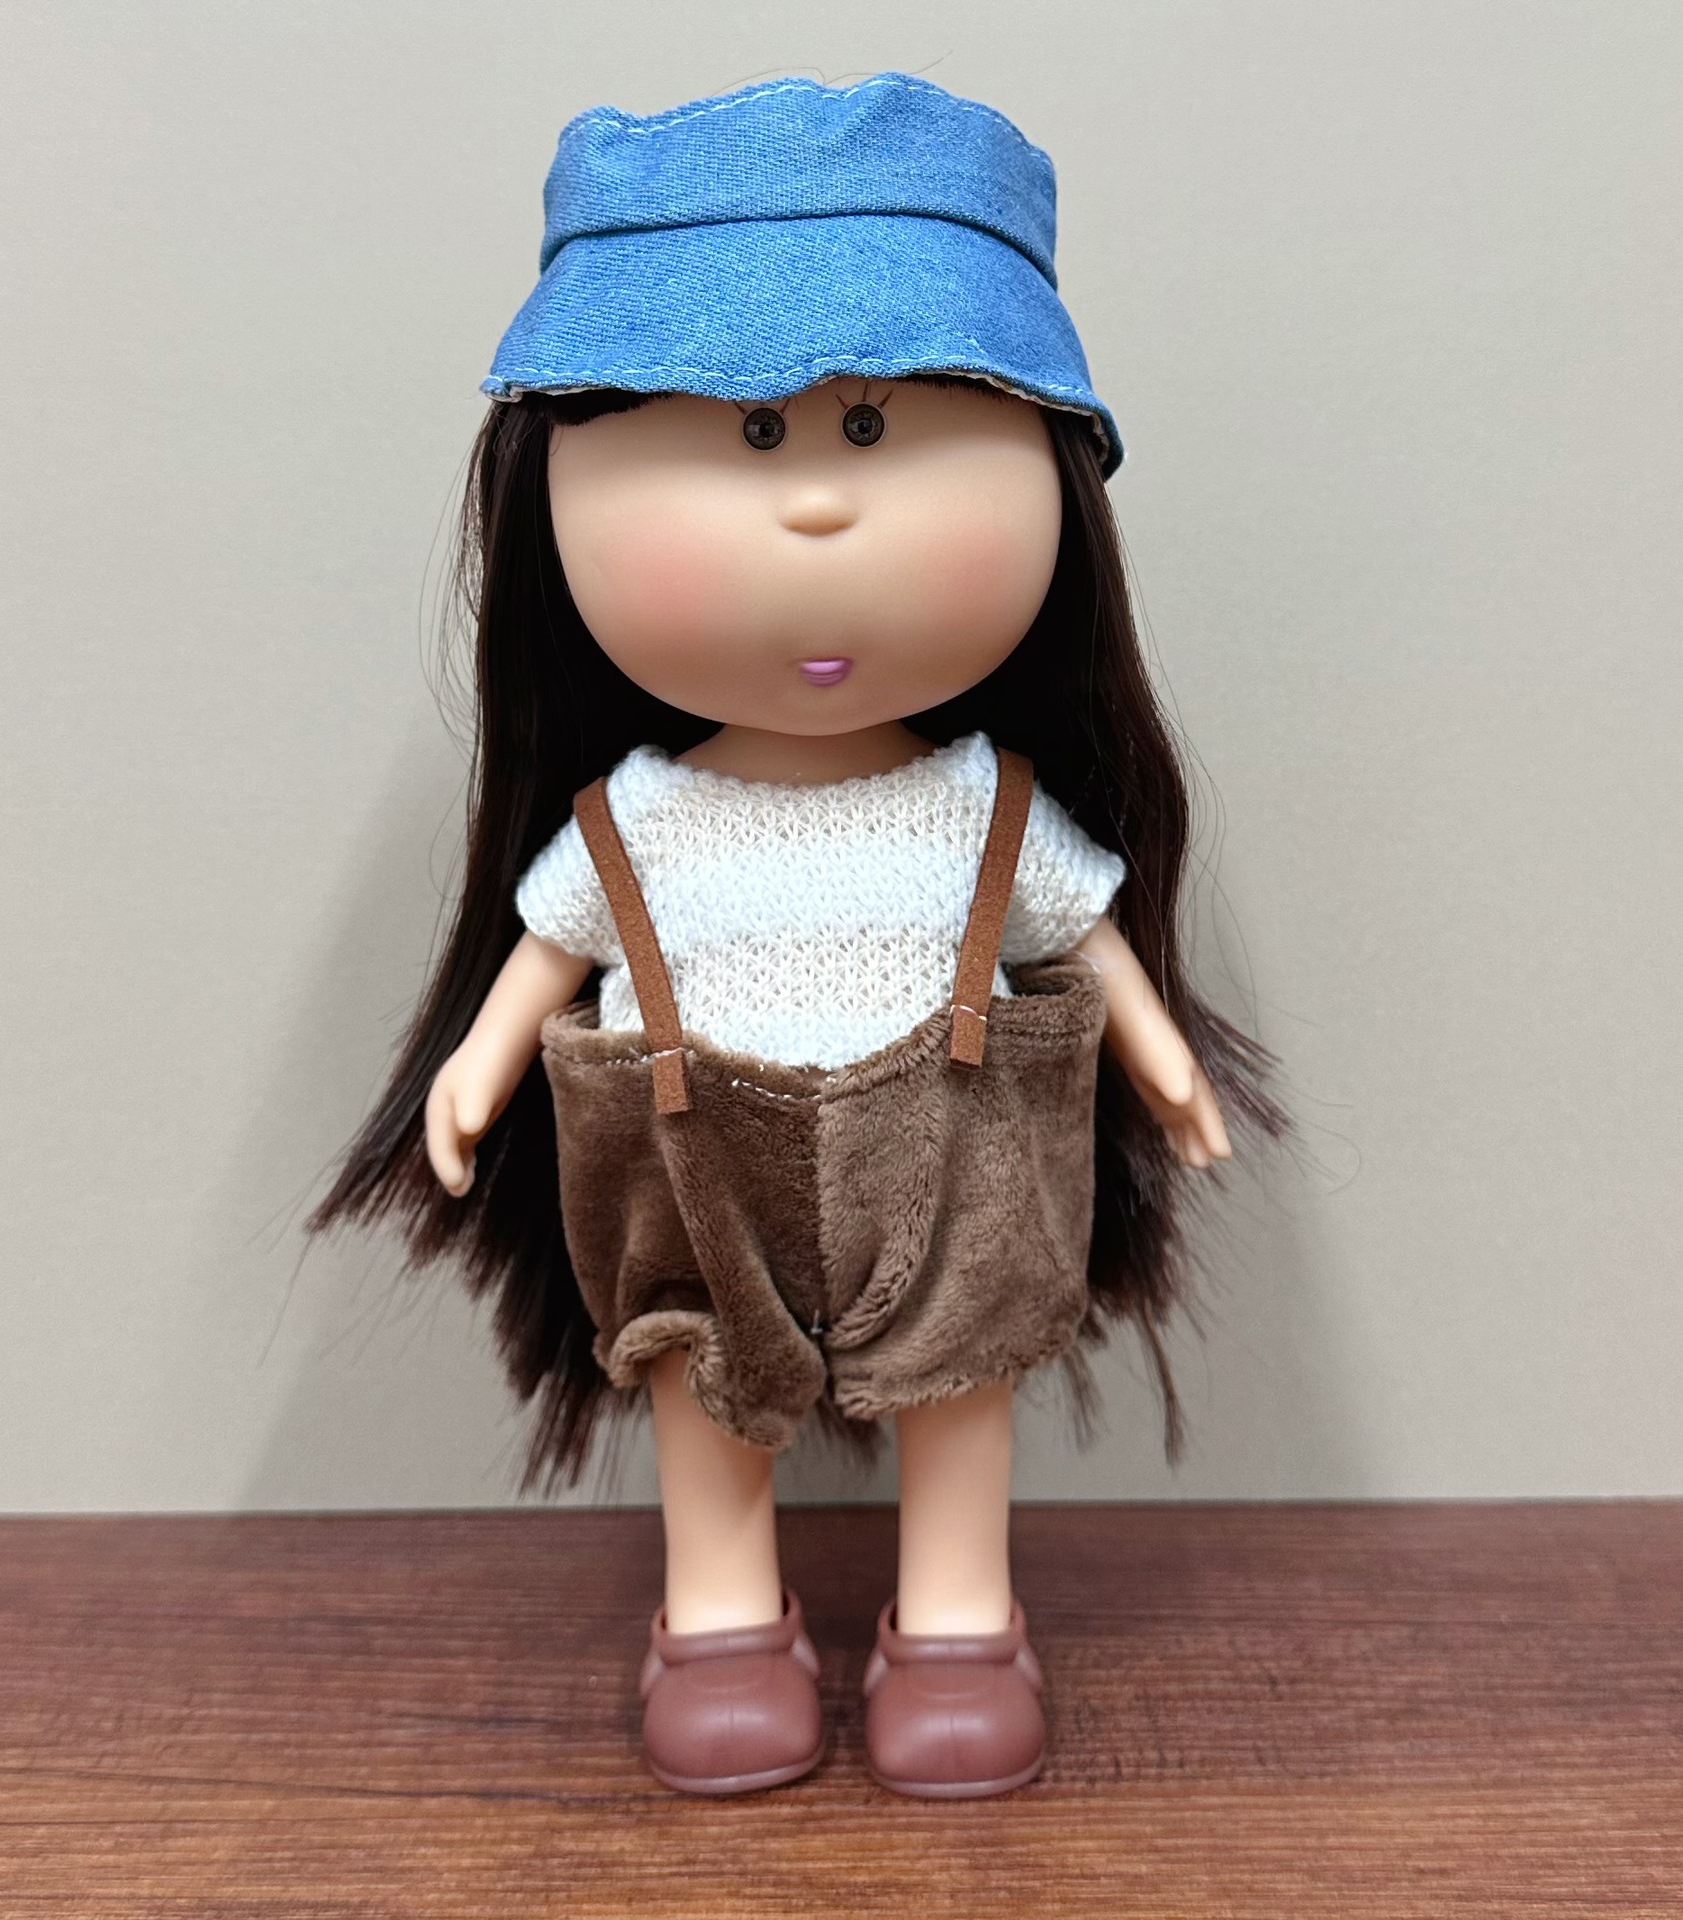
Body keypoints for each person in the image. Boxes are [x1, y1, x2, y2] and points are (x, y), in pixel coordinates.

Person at [311, 73, 1281, 1799]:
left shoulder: (982, 806)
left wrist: (1163, 1060)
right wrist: (473, 1073)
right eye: (754, 433)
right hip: (697, 1170)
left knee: (963, 1371)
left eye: (876, 424)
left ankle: (959, 1622)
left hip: (955, 1171)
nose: (820, 507)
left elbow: (1082, 928)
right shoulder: (640, 822)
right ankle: (721, 1621)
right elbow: (545, 954)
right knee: (700, 1374)